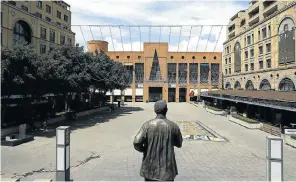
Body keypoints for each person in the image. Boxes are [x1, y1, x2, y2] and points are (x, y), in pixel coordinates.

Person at [133, 100, 183, 181]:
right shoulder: (174, 126)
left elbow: (137, 142)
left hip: (150, 169)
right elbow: (179, 144)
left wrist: (144, 150)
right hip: (167, 169)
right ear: (166, 110)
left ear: (155, 110)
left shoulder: (147, 125)